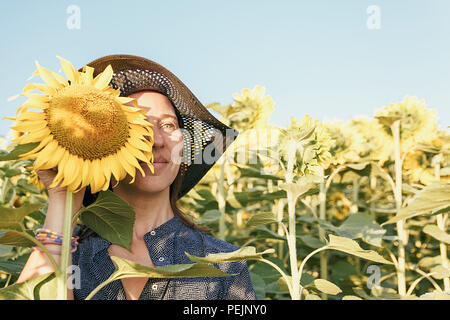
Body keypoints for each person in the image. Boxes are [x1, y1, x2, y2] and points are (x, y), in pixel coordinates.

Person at [17, 54, 256, 300]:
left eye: (168, 125)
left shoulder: (224, 264)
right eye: (139, 126)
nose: (156, 141)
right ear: (106, 144)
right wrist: (62, 202)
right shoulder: (71, 253)